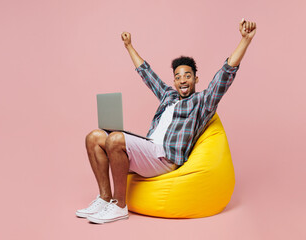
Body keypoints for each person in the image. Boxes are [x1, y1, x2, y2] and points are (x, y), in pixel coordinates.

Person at [76, 18, 256, 224]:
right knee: (94, 137)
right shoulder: (168, 96)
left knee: (116, 139)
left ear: (196, 79)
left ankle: (119, 206)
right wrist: (129, 47)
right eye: (178, 77)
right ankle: (105, 197)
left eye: (187, 76)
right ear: (174, 81)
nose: (182, 81)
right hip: (149, 150)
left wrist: (245, 40)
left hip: (166, 158)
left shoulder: (202, 102)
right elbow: (147, 74)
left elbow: (224, 75)